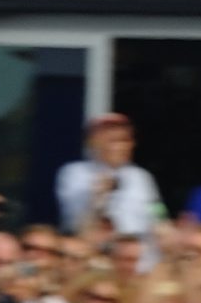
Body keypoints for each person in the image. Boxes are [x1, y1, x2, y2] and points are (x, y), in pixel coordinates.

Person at [58, 111, 165, 259]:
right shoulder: (75, 173)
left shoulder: (142, 177)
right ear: (94, 142)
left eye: (126, 140)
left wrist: (165, 226)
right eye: (114, 141)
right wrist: (98, 197)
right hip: (95, 259)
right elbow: (75, 225)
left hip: (137, 260)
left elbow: (157, 212)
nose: (122, 146)